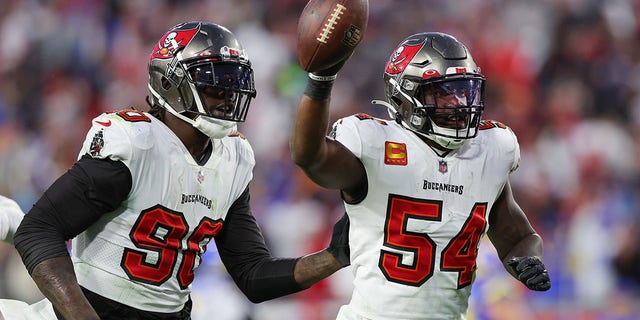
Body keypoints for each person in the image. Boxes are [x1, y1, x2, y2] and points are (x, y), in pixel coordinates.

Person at [10, 21, 349, 320]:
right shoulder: (137, 143)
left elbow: (252, 274)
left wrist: (332, 257)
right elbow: (38, 231)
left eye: (234, 81)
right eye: (215, 82)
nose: (229, 94)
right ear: (170, 84)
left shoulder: (233, 158)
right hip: (92, 307)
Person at [290, 31, 550, 319]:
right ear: (404, 97)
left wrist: (528, 259)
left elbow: (516, 237)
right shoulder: (376, 144)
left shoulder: (490, 149)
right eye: (442, 93)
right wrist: (320, 81)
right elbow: (310, 156)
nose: (459, 104)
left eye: (464, 90)